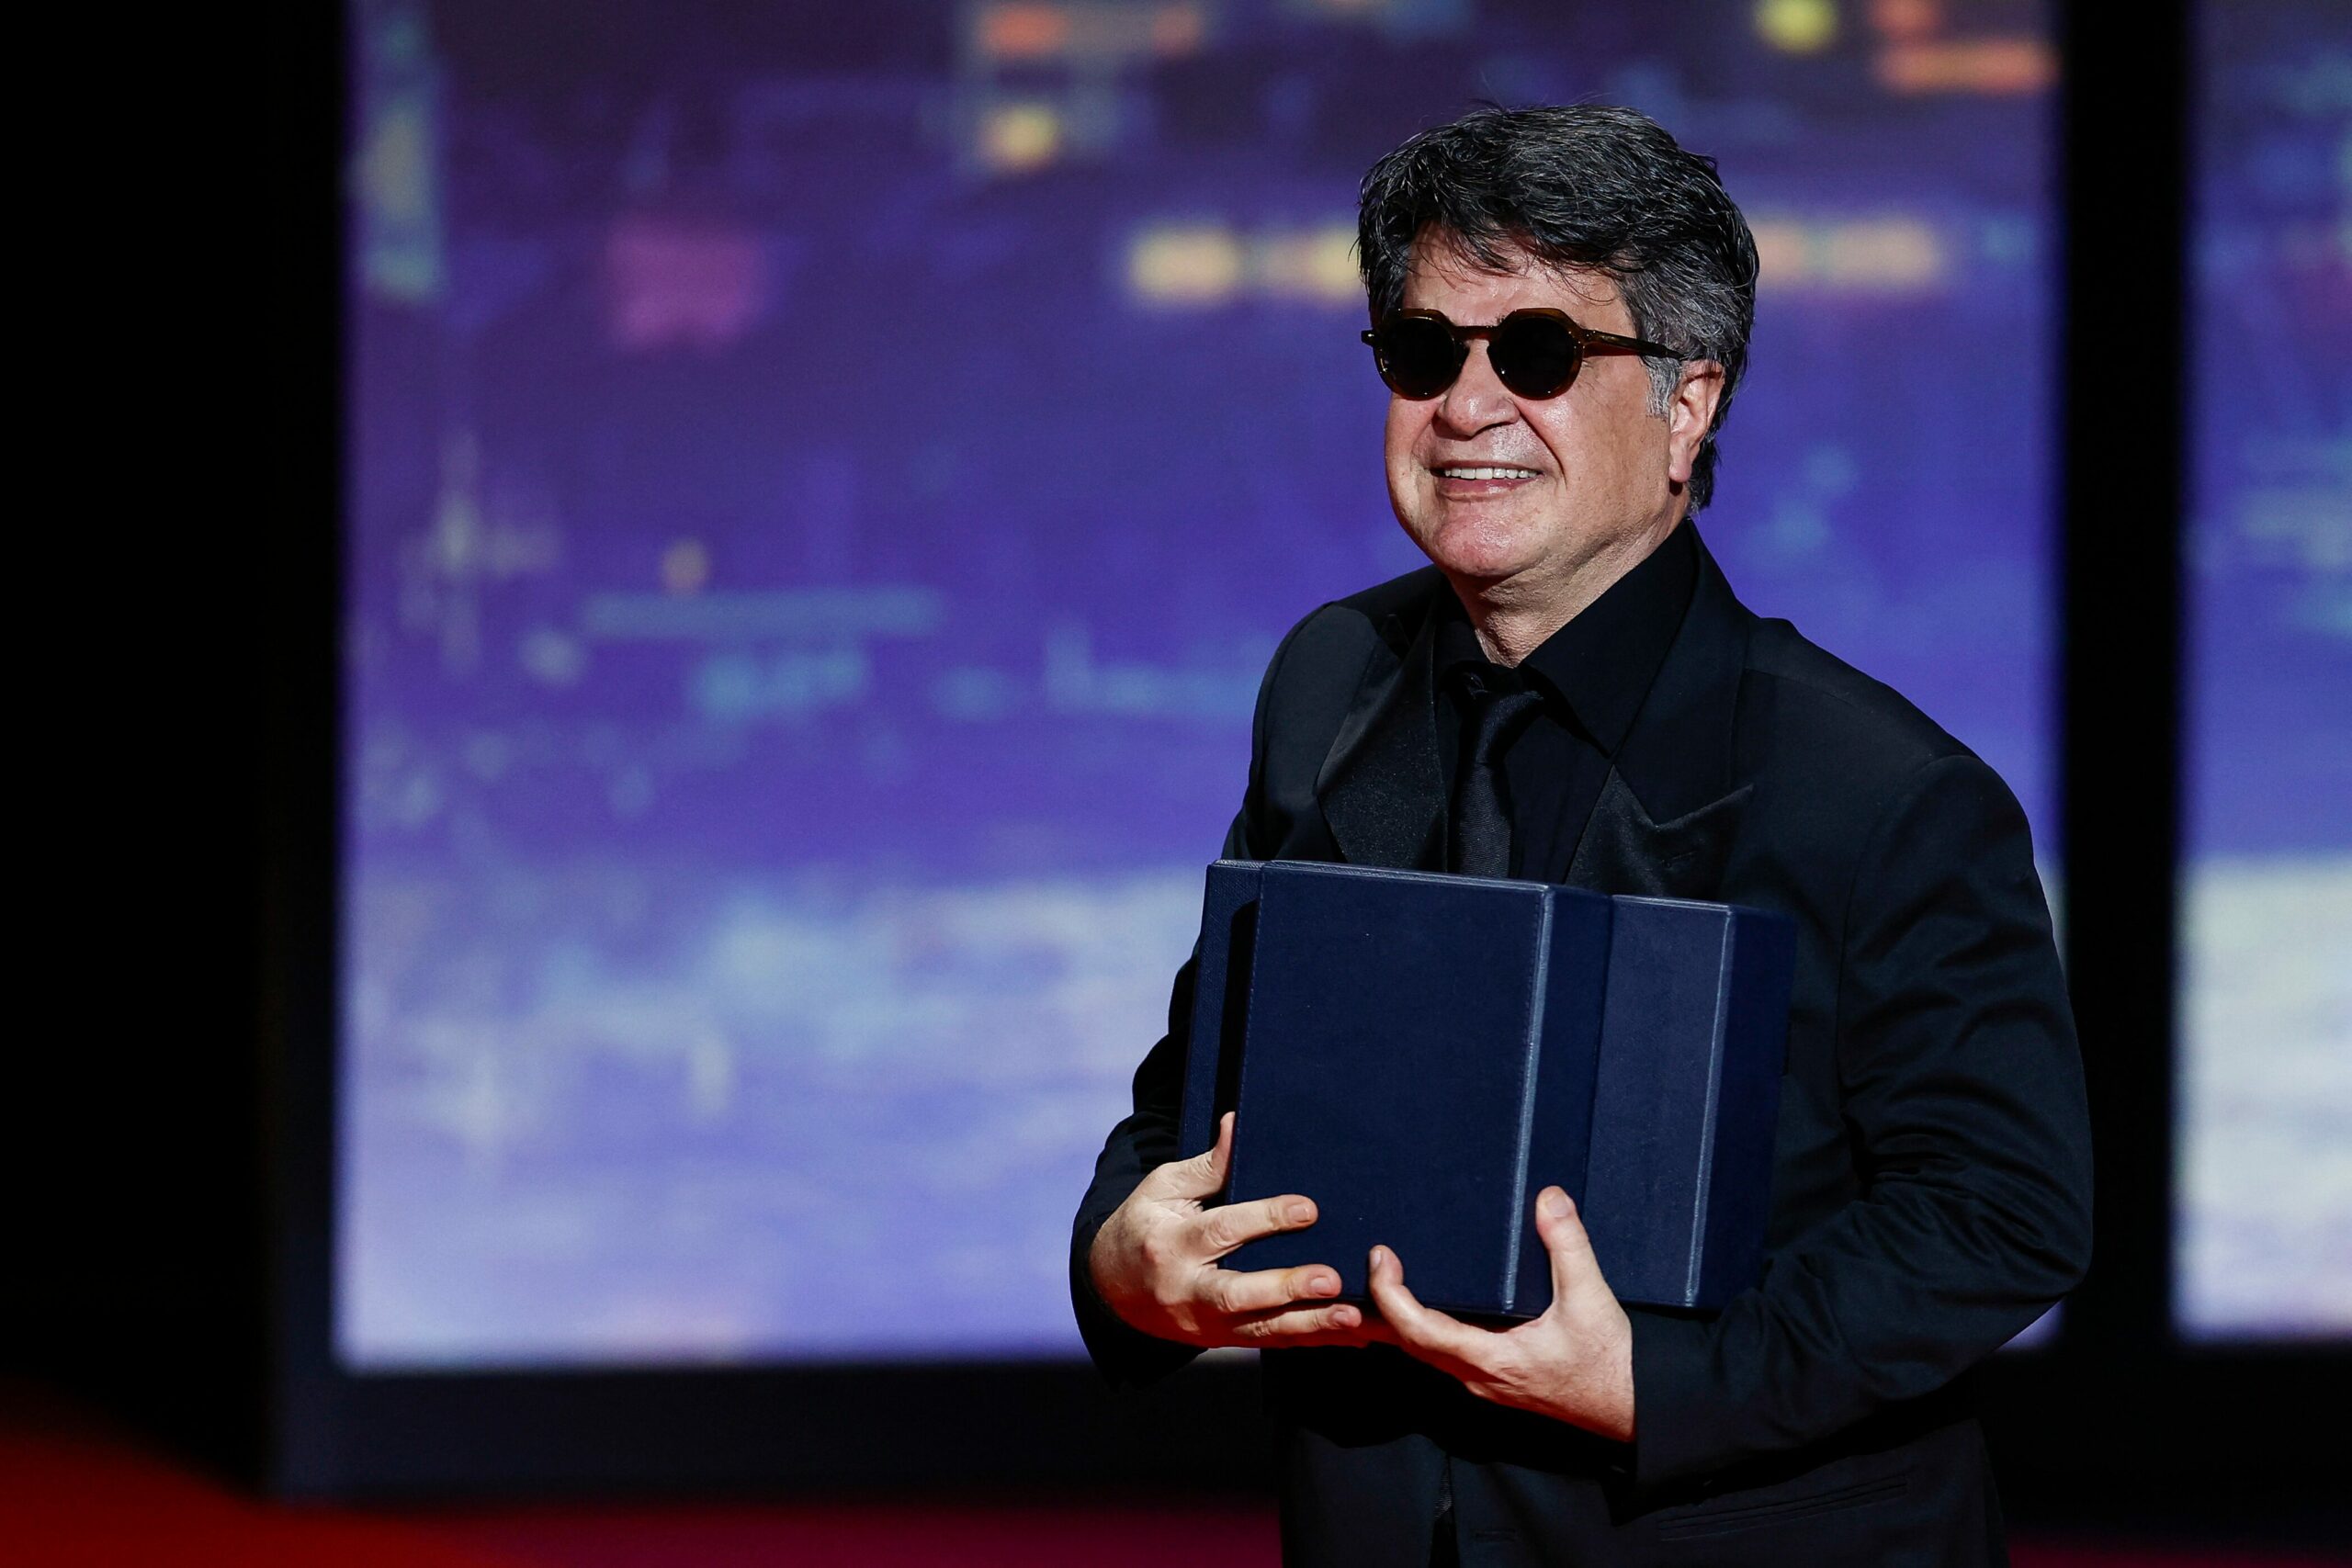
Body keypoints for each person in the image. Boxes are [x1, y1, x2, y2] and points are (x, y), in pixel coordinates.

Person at [1069, 104, 2091, 1566]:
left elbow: (2004, 1211)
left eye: (1538, 354)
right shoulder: (1327, 683)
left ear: (1689, 405)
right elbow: (1200, 1091)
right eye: (1425, 352)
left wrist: (1667, 1384)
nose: (1466, 406)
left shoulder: (1883, 791)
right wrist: (1124, 1258)